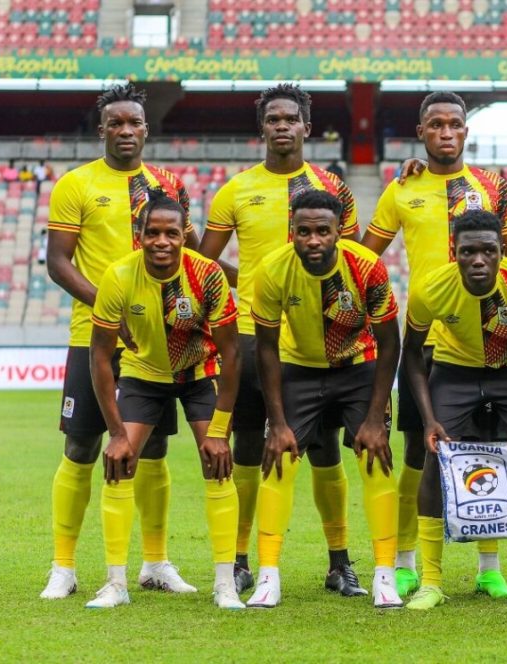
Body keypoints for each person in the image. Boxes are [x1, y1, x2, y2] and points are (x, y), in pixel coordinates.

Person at [362, 91, 507, 599]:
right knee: (418, 447)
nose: (446, 132)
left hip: (488, 339)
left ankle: (489, 566)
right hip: (426, 337)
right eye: (435, 125)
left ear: (465, 132)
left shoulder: (493, 188)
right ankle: (409, 562)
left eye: (454, 124)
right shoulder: (402, 188)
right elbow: (367, 257)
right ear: (422, 133)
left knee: (489, 445)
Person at [199, 83, 360, 595]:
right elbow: (202, 265)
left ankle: (340, 562)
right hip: (250, 335)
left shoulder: (334, 188)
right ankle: (242, 559)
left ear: (307, 127)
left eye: (292, 118)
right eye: (274, 119)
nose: (283, 126)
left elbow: (350, 265)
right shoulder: (236, 190)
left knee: (324, 448)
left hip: (316, 341)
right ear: (263, 127)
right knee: (249, 445)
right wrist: (247, 281)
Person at [42, 83, 197, 600]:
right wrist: (108, 309)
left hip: (159, 340)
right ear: (102, 128)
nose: (126, 131)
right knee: (82, 445)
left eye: (134, 123)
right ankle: (63, 566)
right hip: (95, 338)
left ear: (146, 129)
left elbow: (191, 254)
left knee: (153, 451)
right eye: (116, 124)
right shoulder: (77, 184)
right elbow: (58, 262)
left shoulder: (170, 185)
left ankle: (155, 562)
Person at [400, 209, 507, 611]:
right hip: (454, 372)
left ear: (501, 251)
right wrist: (429, 420)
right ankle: (431, 582)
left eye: (488, 251)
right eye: (468, 251)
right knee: (434, 459)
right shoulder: (431, 287)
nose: (478, 260)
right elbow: (411, 356)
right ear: (454, 252)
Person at [86, 192, 242, 609]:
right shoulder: (118, 276)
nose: (161, 241)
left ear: (182, 236)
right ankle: (115, 584)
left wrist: (221, 430)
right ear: (139, 236)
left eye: (171, 233)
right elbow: (100, 356)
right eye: (152, 232)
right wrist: (117, 433)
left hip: (199, 375)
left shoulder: (208, 275)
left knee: (218, 463)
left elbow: (233, 353)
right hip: (143, 374)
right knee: (118, 462)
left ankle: (225, 584)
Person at [248, 190, 402, 609]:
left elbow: (390, 343)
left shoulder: (366, 266)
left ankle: (384, 575)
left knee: (374, 455)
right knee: (278, 458)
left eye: (322, 231)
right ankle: (268, 576)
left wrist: (374, 417)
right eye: (303, 231)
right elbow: (265, 346)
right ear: (291, 232)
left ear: (338, 233)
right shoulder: (273, 270)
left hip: (360, 368)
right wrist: (277, 423)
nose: (312, 240)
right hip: (300, 370)